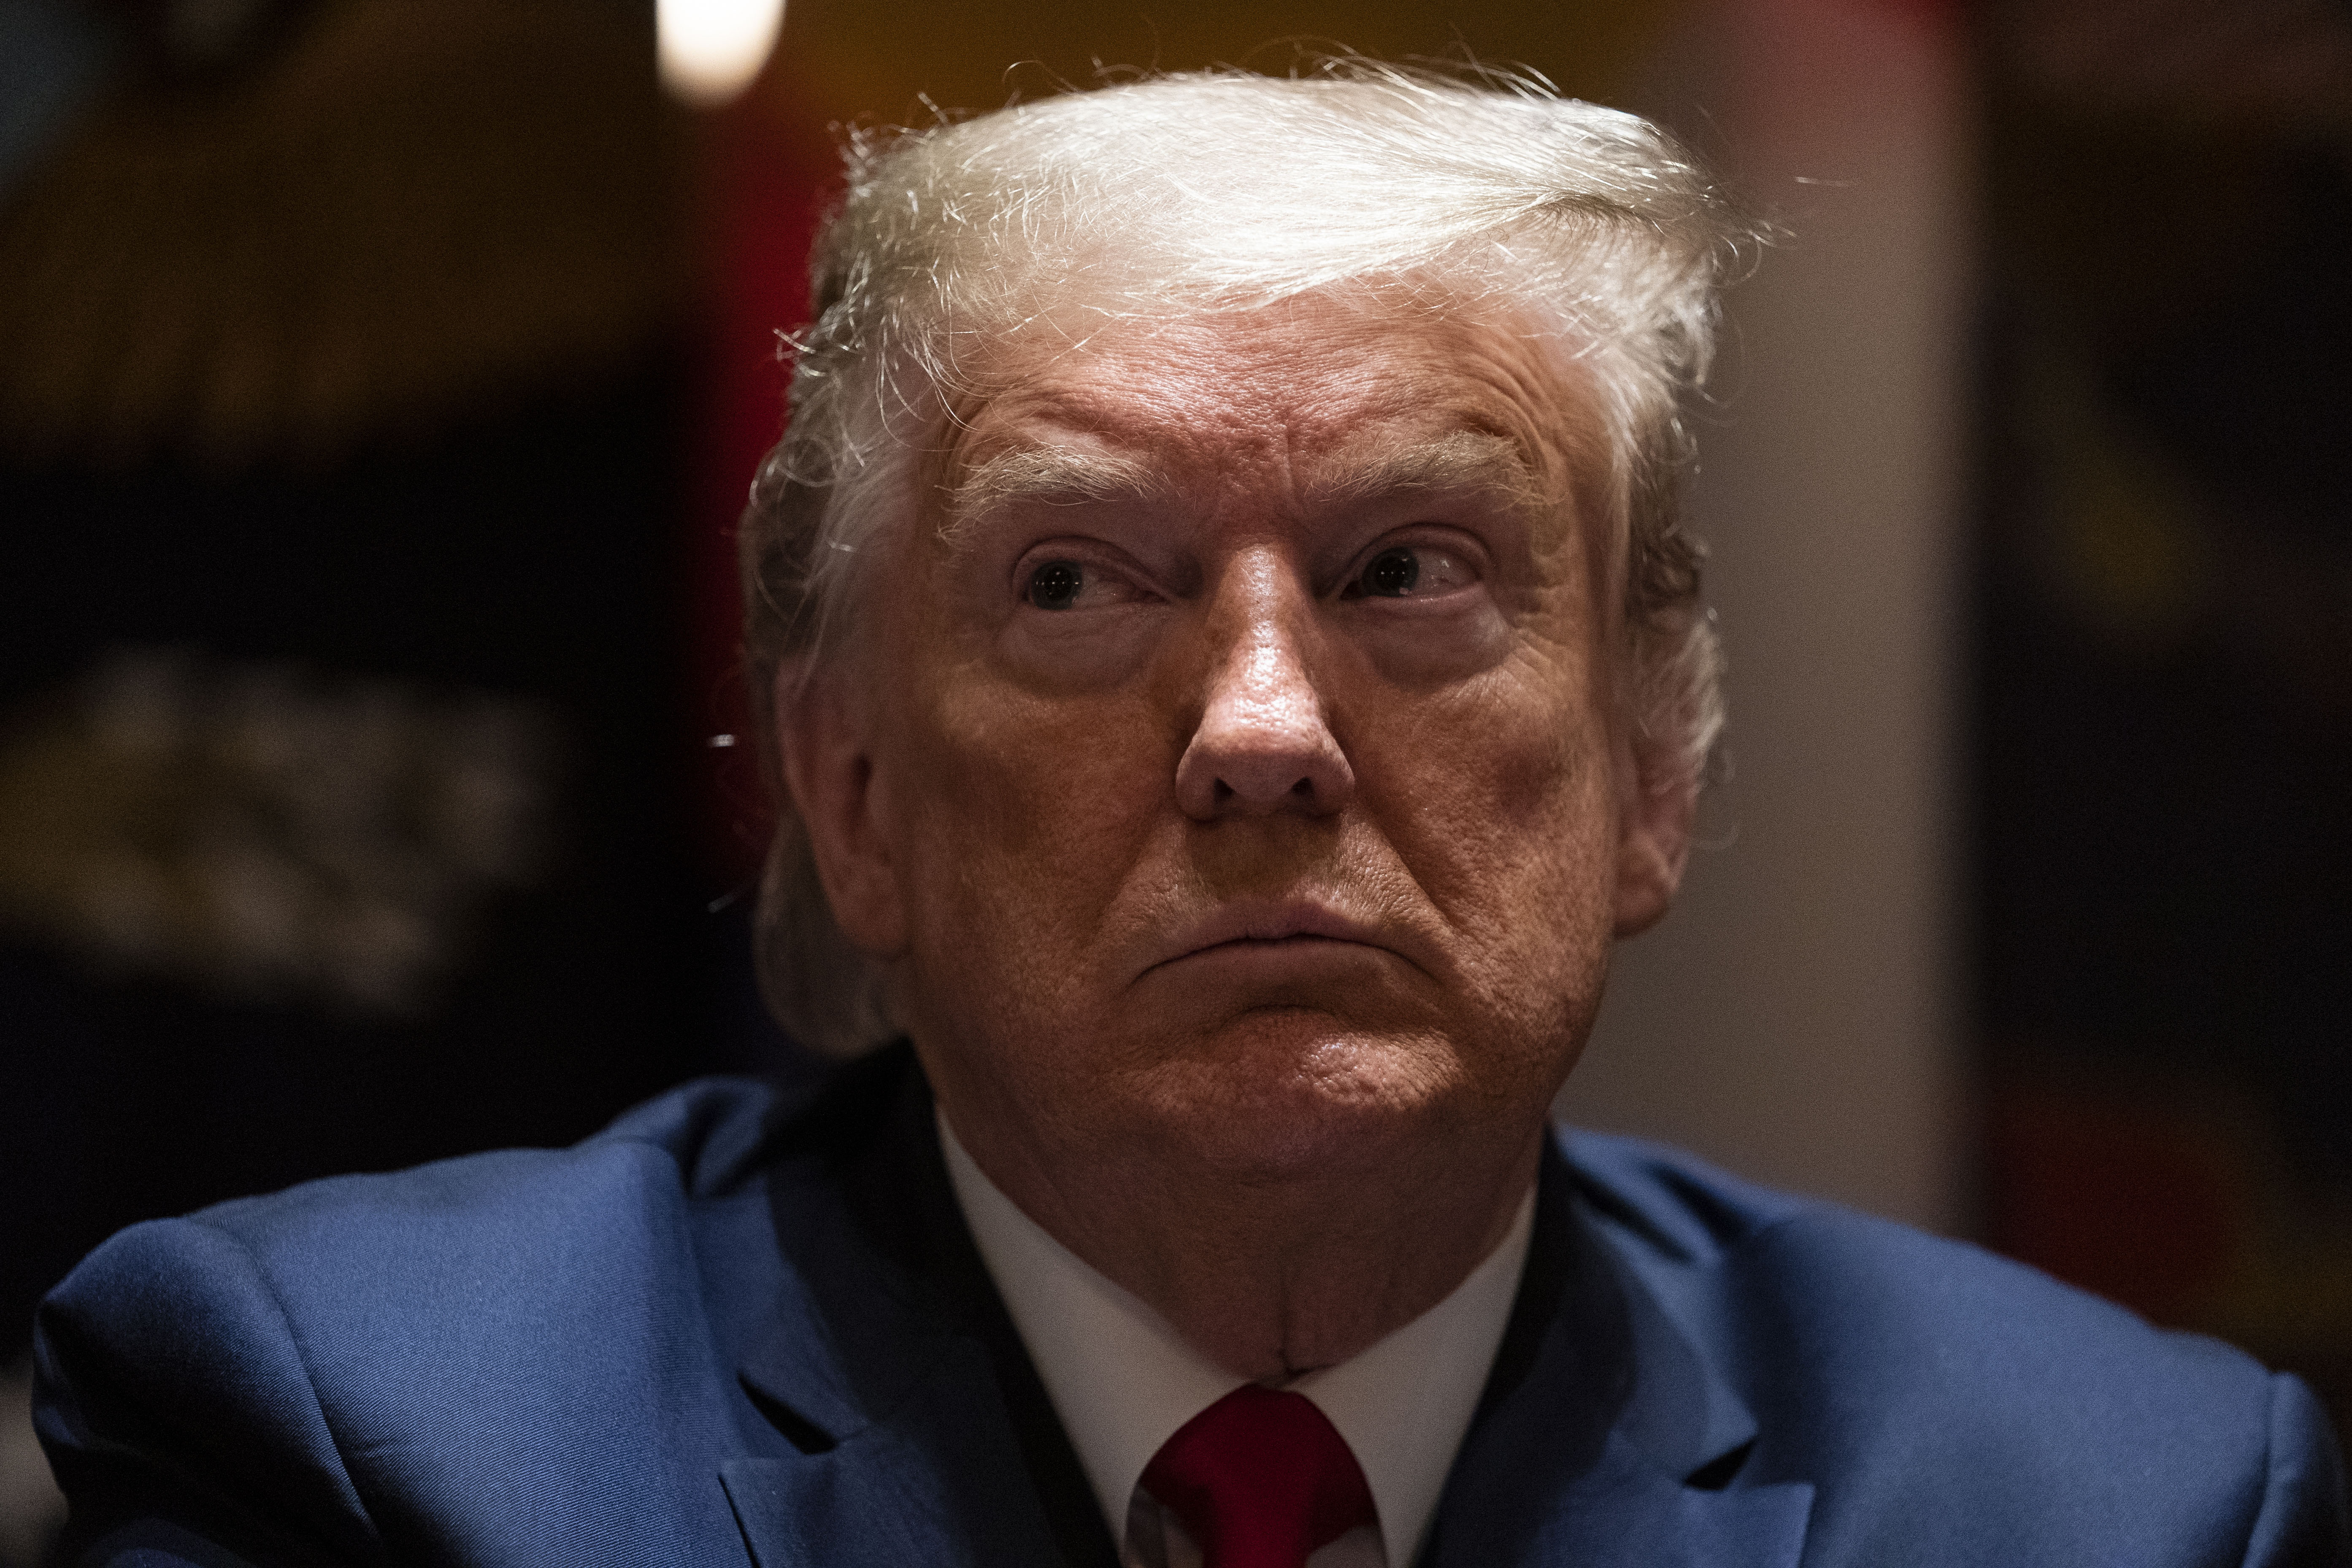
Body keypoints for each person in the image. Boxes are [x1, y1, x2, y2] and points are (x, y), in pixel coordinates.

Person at [33, 65, 2349, 1568]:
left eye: (1406, 572)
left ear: (1654, 766)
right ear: (848, 789)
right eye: (1072, 581)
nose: (1261, 724)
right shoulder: (363, 1457)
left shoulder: (2114, 1509)